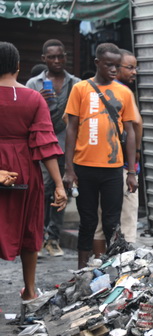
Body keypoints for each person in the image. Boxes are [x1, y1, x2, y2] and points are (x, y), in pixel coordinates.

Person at [0, 41, 67, 310]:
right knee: (29, 227)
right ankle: (29, 290)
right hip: (25, 170)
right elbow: (46, 143)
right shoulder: (33, 98)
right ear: (18, 67)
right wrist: (59, 185)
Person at [63, 43, 138, 268]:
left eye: (117, 65)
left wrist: (132, 171)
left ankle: (111, 269)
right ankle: (82, 270)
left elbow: (130, 131)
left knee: (111, 223)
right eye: (109, 65)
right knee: (87, 221)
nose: (114, 69)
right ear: (97, 63)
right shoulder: (80, 89)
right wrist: (68, 168)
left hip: (113, 168)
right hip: (84, 166)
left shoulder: (124, 92)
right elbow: (71, 128)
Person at [26, 39, 81, 257]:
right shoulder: (33, 84)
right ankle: (37, 237)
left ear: (65, 57)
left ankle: (53, 238)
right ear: (44, 59)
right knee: (42, 190)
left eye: (60, 56)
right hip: (41, 147)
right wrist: (37, 101)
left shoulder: (76, 83)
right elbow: (25, 116)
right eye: (52, 57)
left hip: (67, 147)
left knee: (64, 190)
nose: (57, 61)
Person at [93, 48, 143, 253]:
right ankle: (124, 266)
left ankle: (96, 266)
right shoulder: (123, 93)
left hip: (99, 165)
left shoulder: (92, 89)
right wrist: (136, 152)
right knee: (127, 221)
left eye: (135, 67)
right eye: (129, 67)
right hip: (121, 166)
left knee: (100, 220)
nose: (134, 72)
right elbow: (137, 124)